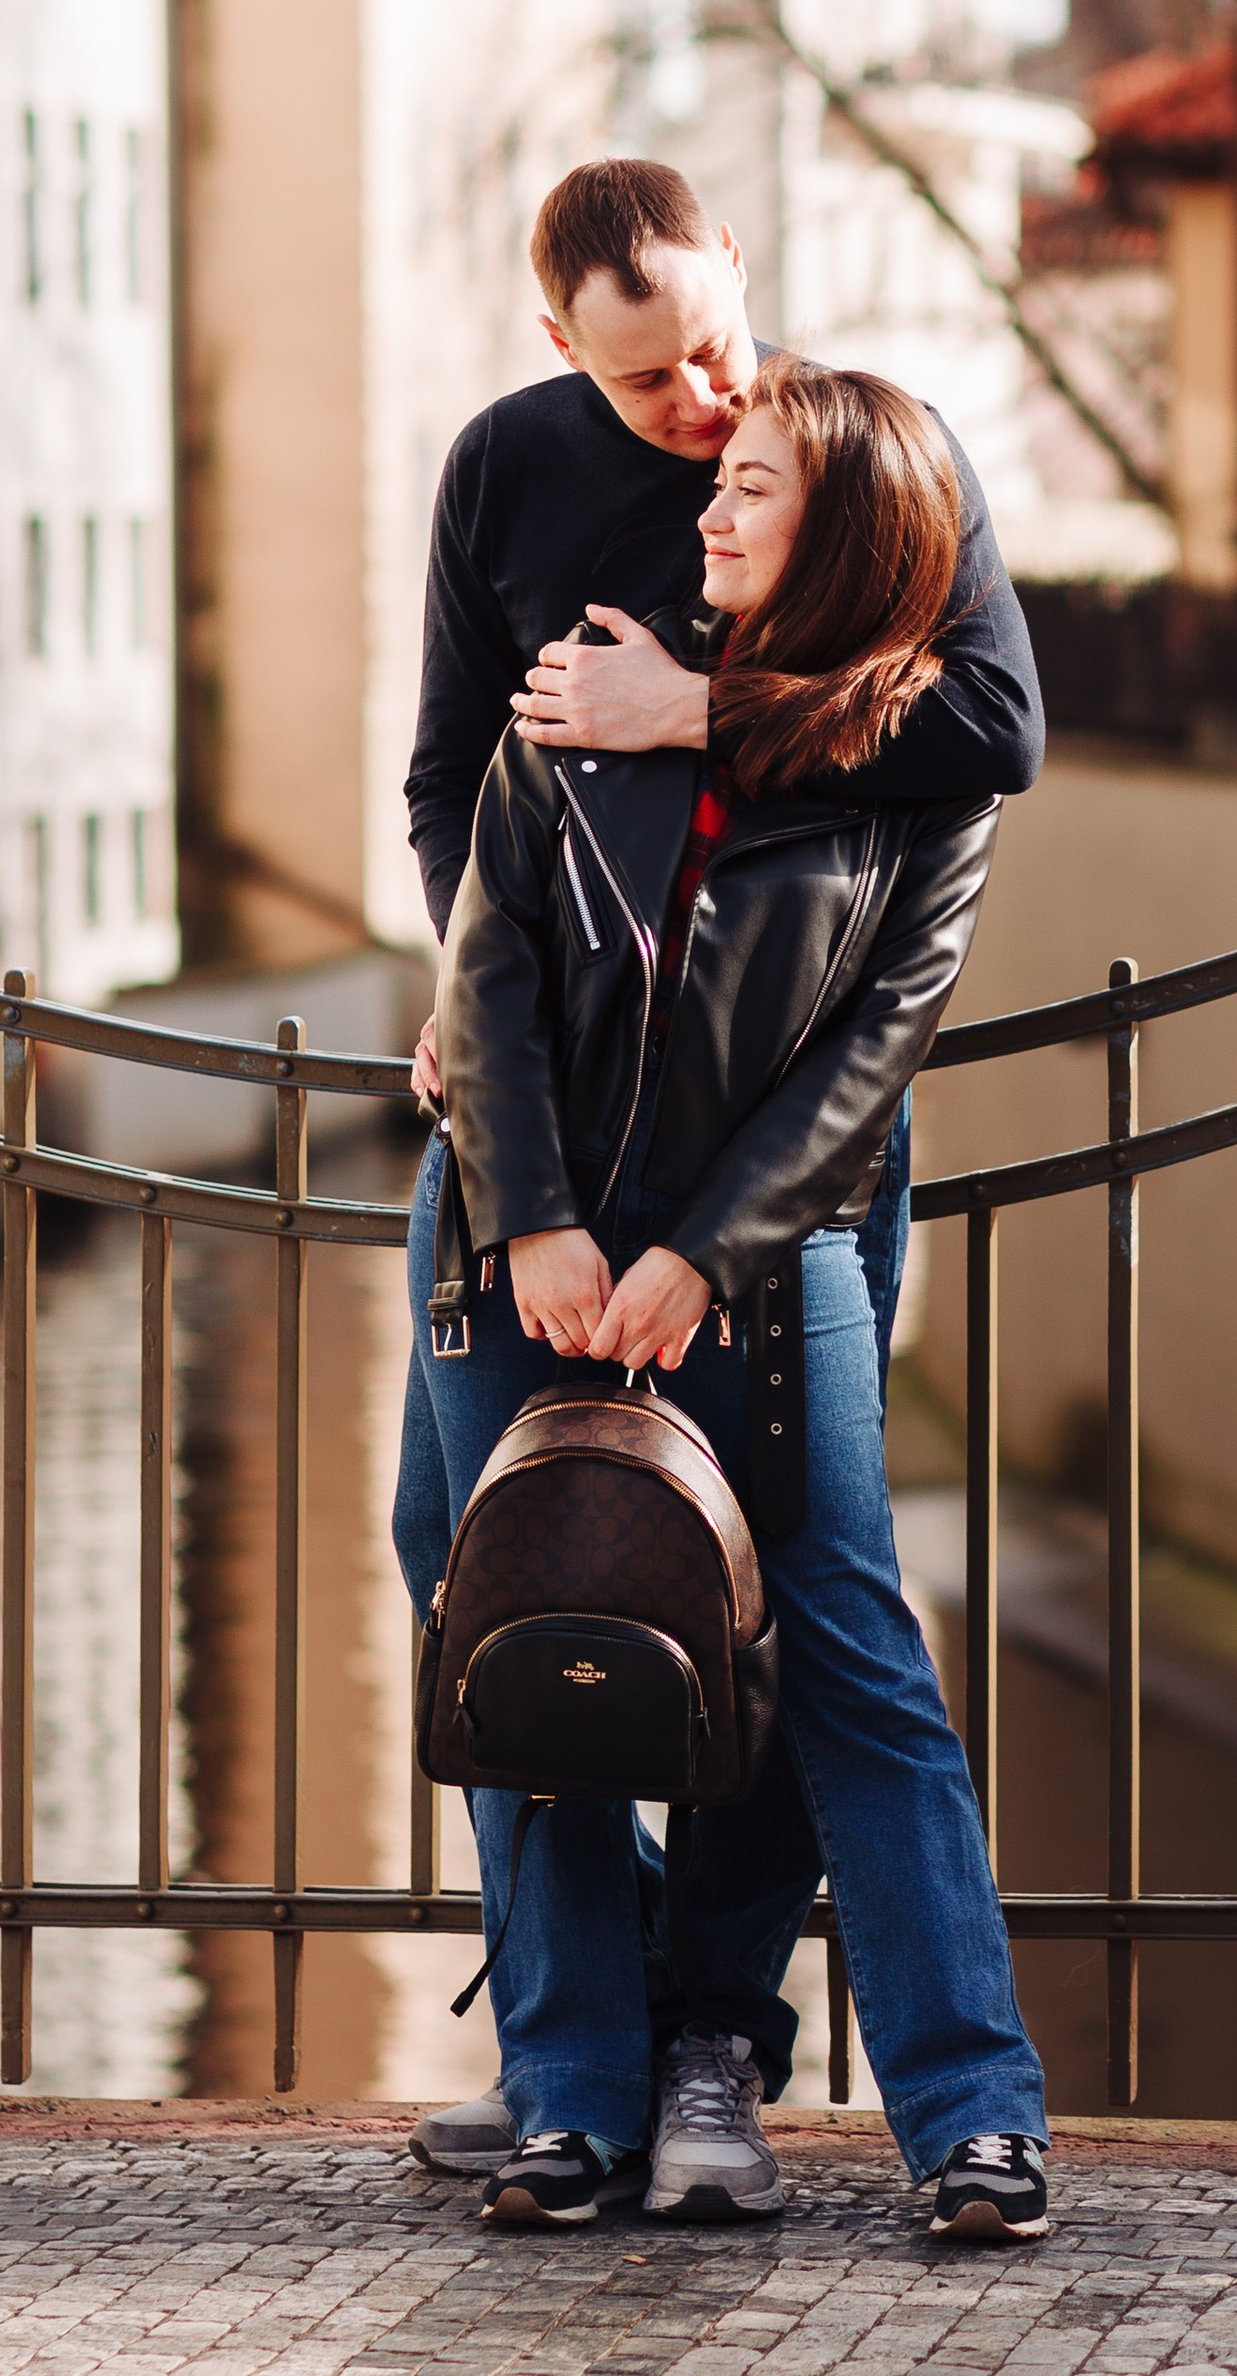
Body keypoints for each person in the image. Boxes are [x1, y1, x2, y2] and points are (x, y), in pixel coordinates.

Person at [395, 159, 1045, 2189]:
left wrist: (709, 707)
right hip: (529, 1194)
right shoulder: (516, 518)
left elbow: (981, 765)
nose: (703, 430)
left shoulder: (884, 518)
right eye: (661, 391)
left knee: (812, 1624)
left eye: (725, 393)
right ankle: (578, 2077)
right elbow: (476, 861)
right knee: (506, 1596)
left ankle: (833, 2068)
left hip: (767, 1220)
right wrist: (528, 1200)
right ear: (559, 353)